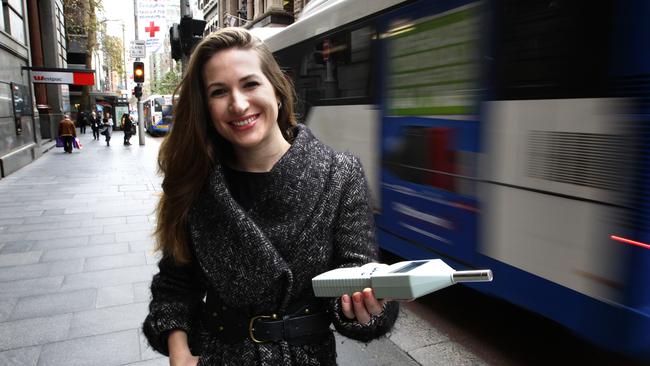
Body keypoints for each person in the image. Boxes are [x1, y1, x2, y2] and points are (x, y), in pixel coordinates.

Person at [142, 28, 399, 366]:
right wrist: (179, 352)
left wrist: (365, 306)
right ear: (206, 108)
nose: (238, 103)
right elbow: (174, 285)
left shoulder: (340, 174)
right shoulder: (195, 182)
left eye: (250, 84)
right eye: (219, 92)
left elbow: (355, 271)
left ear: (276, 91)